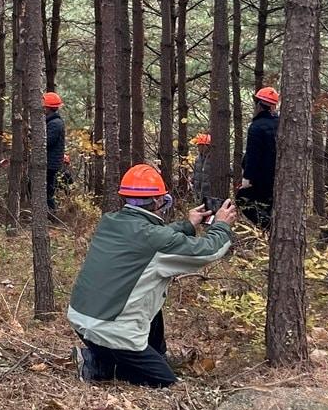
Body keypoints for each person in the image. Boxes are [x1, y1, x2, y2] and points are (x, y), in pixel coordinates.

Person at [67, 164, 236, 387]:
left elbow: (151, 238)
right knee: (166, 383)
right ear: (158, 201)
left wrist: (187, 225)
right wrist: (222, 226)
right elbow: (210, 251)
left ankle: (109, 358)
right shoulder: (154, 238)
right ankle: (95, 364)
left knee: (149, 297)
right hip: (111, 329)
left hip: (82, 320)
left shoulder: (110, 221)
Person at [239, 87, 279, 228]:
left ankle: (269, 227)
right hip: (279, 177)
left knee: (242, 199)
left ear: (258, 105)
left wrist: (247, 178)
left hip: (261, 178)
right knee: (270, 205)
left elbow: (253, 155)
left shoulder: (256, 127)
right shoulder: (280, 123)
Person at [43, 92, 65, 212]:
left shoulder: (55, 123)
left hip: (51, 163)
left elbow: (48, 141)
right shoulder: (52, 121)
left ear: (48, 107)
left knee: (48, 190)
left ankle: (51, 213)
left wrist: (34, 137)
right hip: (51, 161)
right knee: (47, 189)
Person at [190, 133, 212, 205]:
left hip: (209, 193)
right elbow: (196, 171)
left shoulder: (214, 158)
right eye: (198, 145)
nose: (198, 148)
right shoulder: (198, 158)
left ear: (207, 146)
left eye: (200, 145)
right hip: (198, 191)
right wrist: (193, 179)